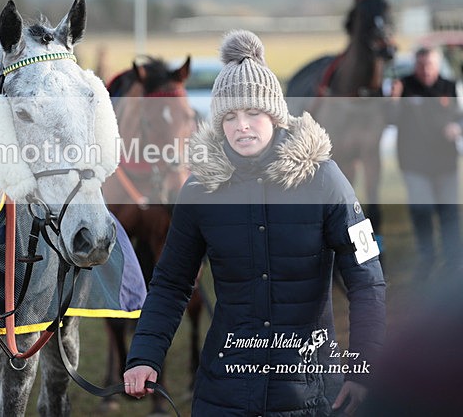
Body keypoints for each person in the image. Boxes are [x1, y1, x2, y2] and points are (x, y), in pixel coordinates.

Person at [123, 30, 386, 416]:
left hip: (310, 394)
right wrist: (145, 355)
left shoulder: (325, 179)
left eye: (253, 113)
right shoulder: (199, 189)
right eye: (229, 116)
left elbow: (367, 280)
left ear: (275, 115)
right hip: (224, 393)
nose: (241, 126)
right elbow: (171, 282)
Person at [390, 46, 462, 274]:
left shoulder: (448, 87)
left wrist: (456, 127)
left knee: (449, 213)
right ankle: (427, 259)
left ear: (437, 65)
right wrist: (393, 99)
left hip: (445, 162)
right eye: (421, 65)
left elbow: (460, 117)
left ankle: (453, 263)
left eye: (429, 65)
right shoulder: (404, 86)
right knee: (422, 211)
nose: (425, 70)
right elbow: (390, 119)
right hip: (415, 164)